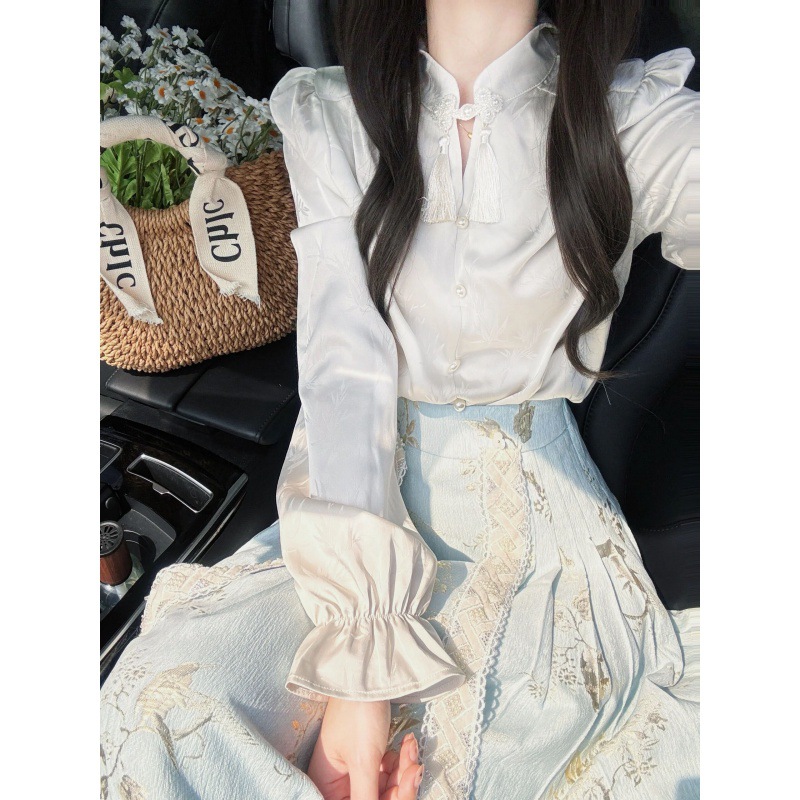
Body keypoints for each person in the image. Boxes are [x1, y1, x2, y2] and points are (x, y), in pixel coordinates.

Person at [99, 1, 700, 799]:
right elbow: (344, 368)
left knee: (459, 769)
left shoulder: (633, 120)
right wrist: (360, 673)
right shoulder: (337, 117)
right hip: (348, 510)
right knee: (156, 710)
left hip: (537, 533)